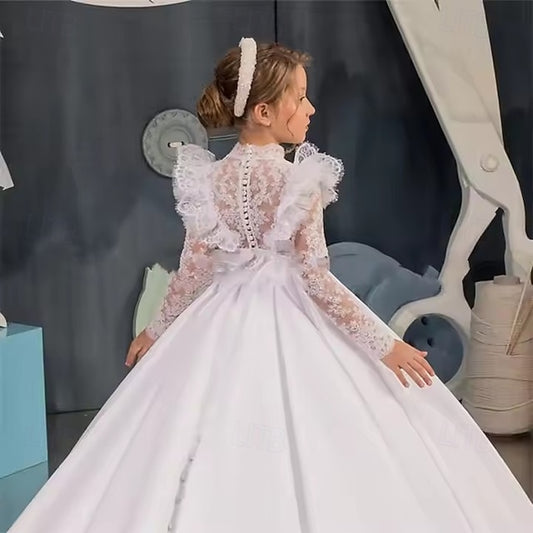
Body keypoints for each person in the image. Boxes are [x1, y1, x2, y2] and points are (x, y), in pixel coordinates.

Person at [9, 38, 532, 533]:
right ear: (263, 112)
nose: (311, 109)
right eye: (299, 98)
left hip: (219, 315)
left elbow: (194, 268)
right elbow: (316, 279)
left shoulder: (208, 179)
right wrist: (385, 344)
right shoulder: (297, 180)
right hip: (289, 313)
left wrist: (157, 329)